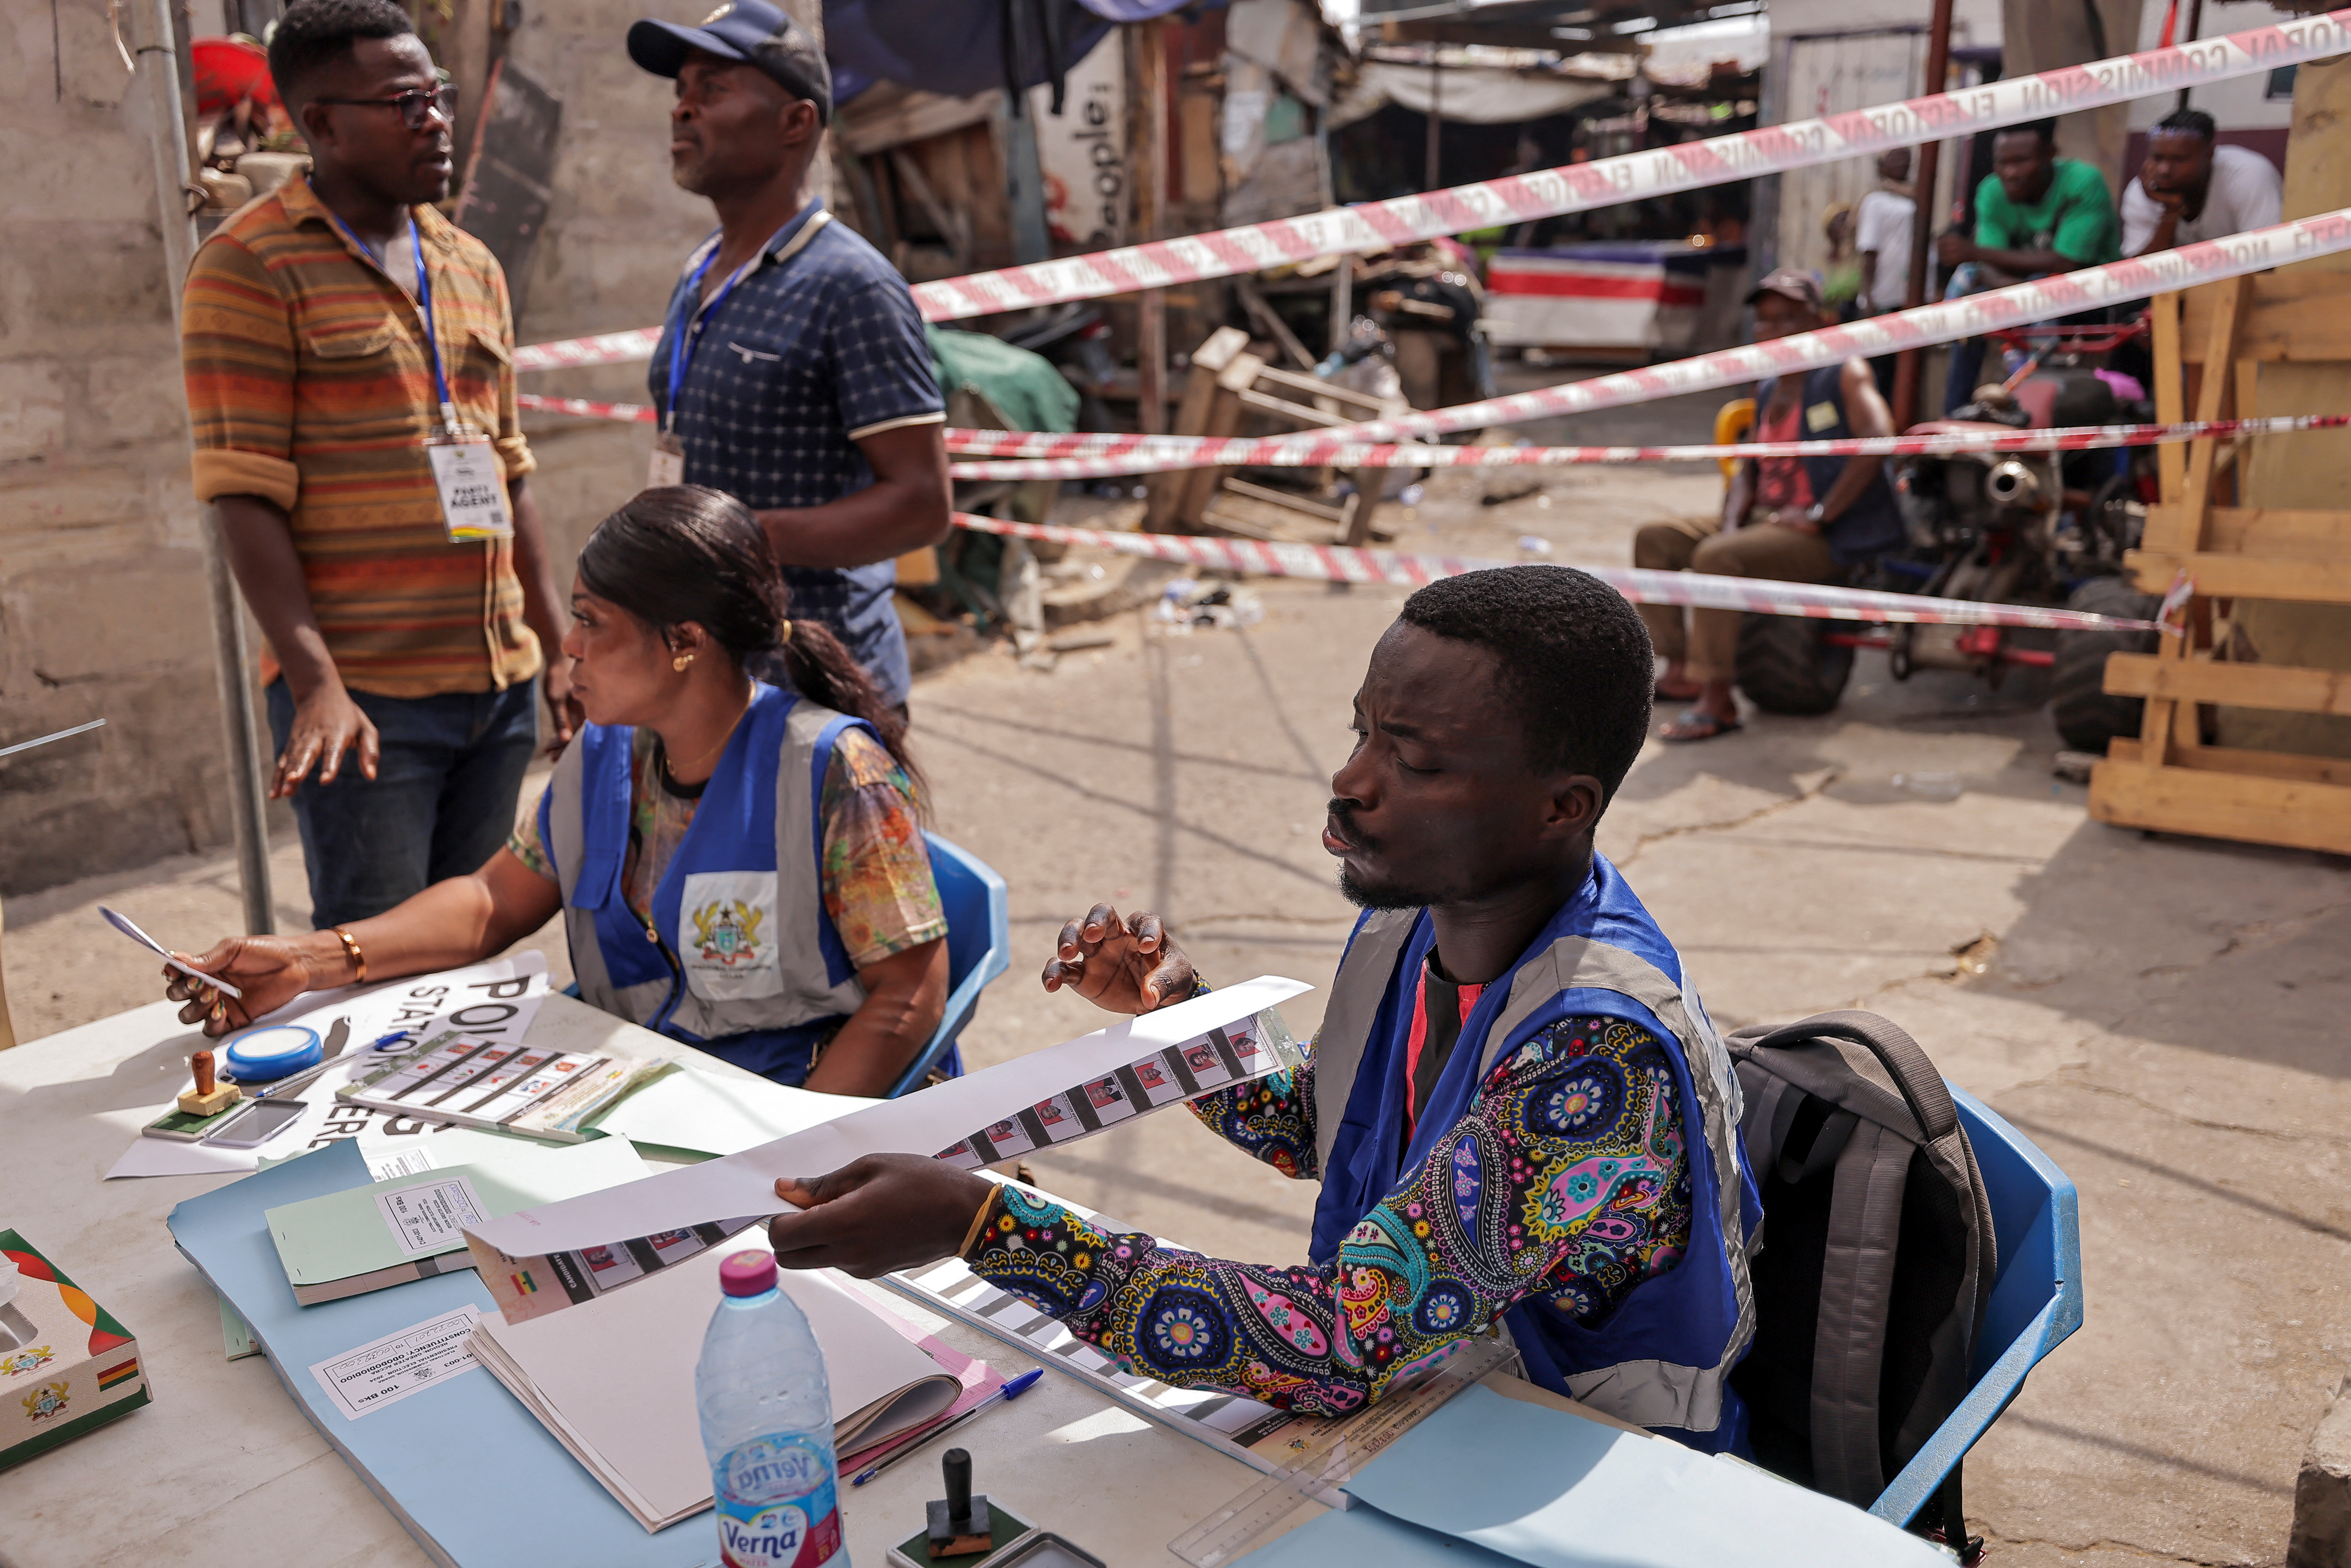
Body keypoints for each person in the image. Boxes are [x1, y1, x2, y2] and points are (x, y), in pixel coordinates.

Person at [754, 567, 1762, 1450]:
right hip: (1443, 1401)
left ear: (1561, 805)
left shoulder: (1591, 1059)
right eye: (1362, 731)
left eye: (1415, 762)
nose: (1351, 780)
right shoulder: (1413, 922)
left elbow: (1336, 1341)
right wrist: (1176, 1012)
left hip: (1576, 1460)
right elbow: (1326, 1133)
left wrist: (981, 1223)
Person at [161, 487, 952, 1096]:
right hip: (653, 1093)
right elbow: (487, 902)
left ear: (684, 642)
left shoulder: (833, 770)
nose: (567, 644)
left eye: (592, 621)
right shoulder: (605, 756)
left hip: (782, 1105)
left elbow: (908, 993)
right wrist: (309, 959)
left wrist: (786, 1157)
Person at [181, 0, 575, 931]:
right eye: (405, 103)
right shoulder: (248, 266)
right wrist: (317, 683)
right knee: (375, 963)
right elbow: (243, 488)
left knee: (483, 941)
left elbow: (508, 467)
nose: (436, 117)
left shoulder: (471, 262)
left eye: (435, 95)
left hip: (499, 689)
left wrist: (561, 652)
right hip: (369, 709)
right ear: (322, 124)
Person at [628, 0, 952, 718]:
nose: (683, 111)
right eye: (681, 92)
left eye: (712, 90)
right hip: (708, 682)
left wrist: (745, 539)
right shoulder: (701, 271)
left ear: (795, 123)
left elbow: (922, 503)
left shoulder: (851, 285)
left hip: (817, 690)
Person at [1635, 271, 1901, 742]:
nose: (1774, 330)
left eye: (1788, 319)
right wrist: (1734, 517)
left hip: (1820, 533)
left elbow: (1879, 438)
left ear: (1818, 321)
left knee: (1718, 558)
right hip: (1767, 518)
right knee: (1655, 538)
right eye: (1765, 321)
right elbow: (1750, 469)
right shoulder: (1767, 386)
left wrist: (1821, 514)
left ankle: (1717, 701)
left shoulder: (1843, 372)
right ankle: (1681, 669)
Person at [1934, 119, 2121, 413]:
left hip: (2089, 299)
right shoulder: (1992, 191)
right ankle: (1954, 414)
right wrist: (2023, 291)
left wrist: (1979, 255)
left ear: (2050, 154)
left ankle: (2030, 407)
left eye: (2021, 161)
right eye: (2002, 163)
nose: (2010, 172)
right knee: (1973, 303)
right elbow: (1988, 265)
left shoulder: (2083, 182)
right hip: (2021, 292)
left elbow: (2066, 260)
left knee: (2042, 281)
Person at [2122, 107, 2283, 257]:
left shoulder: (2248, 175)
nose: (2164, 170)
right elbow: (2139, 275)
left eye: (2179, 159)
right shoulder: (2141, 190)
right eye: (2157, 158)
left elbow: (2266, 259)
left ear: (2209, 155)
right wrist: (2171, 213)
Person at [1855, 147, 1917, 319]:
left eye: (1906, 159)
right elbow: (1869, 249)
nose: (1903, 163)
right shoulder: (1875, 202)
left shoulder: (1916, 198)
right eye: (1896, 159)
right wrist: (1868, 296)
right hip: (1883, 295)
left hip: (1910, 291)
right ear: (1882, 165)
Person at [1821, 203, 1862, 318]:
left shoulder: (1857, 256)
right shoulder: (1824, 259)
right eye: (1840, 221)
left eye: (1847, 221)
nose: (1845, 226)